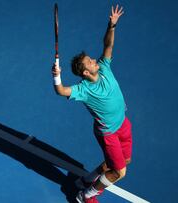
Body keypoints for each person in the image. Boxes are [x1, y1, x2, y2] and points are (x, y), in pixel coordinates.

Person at [51, 5, 130, 203]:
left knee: (123, 160)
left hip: (123, 124)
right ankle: (86, 195)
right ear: (86, 73)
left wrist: (111, 26)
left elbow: (108, 46)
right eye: (90, 62)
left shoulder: (104, 67)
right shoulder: (83, 89)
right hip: (109, 133)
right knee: (120, 171)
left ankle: (86, 180)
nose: (95, 60)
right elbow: (61, 91)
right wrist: (57, 77)